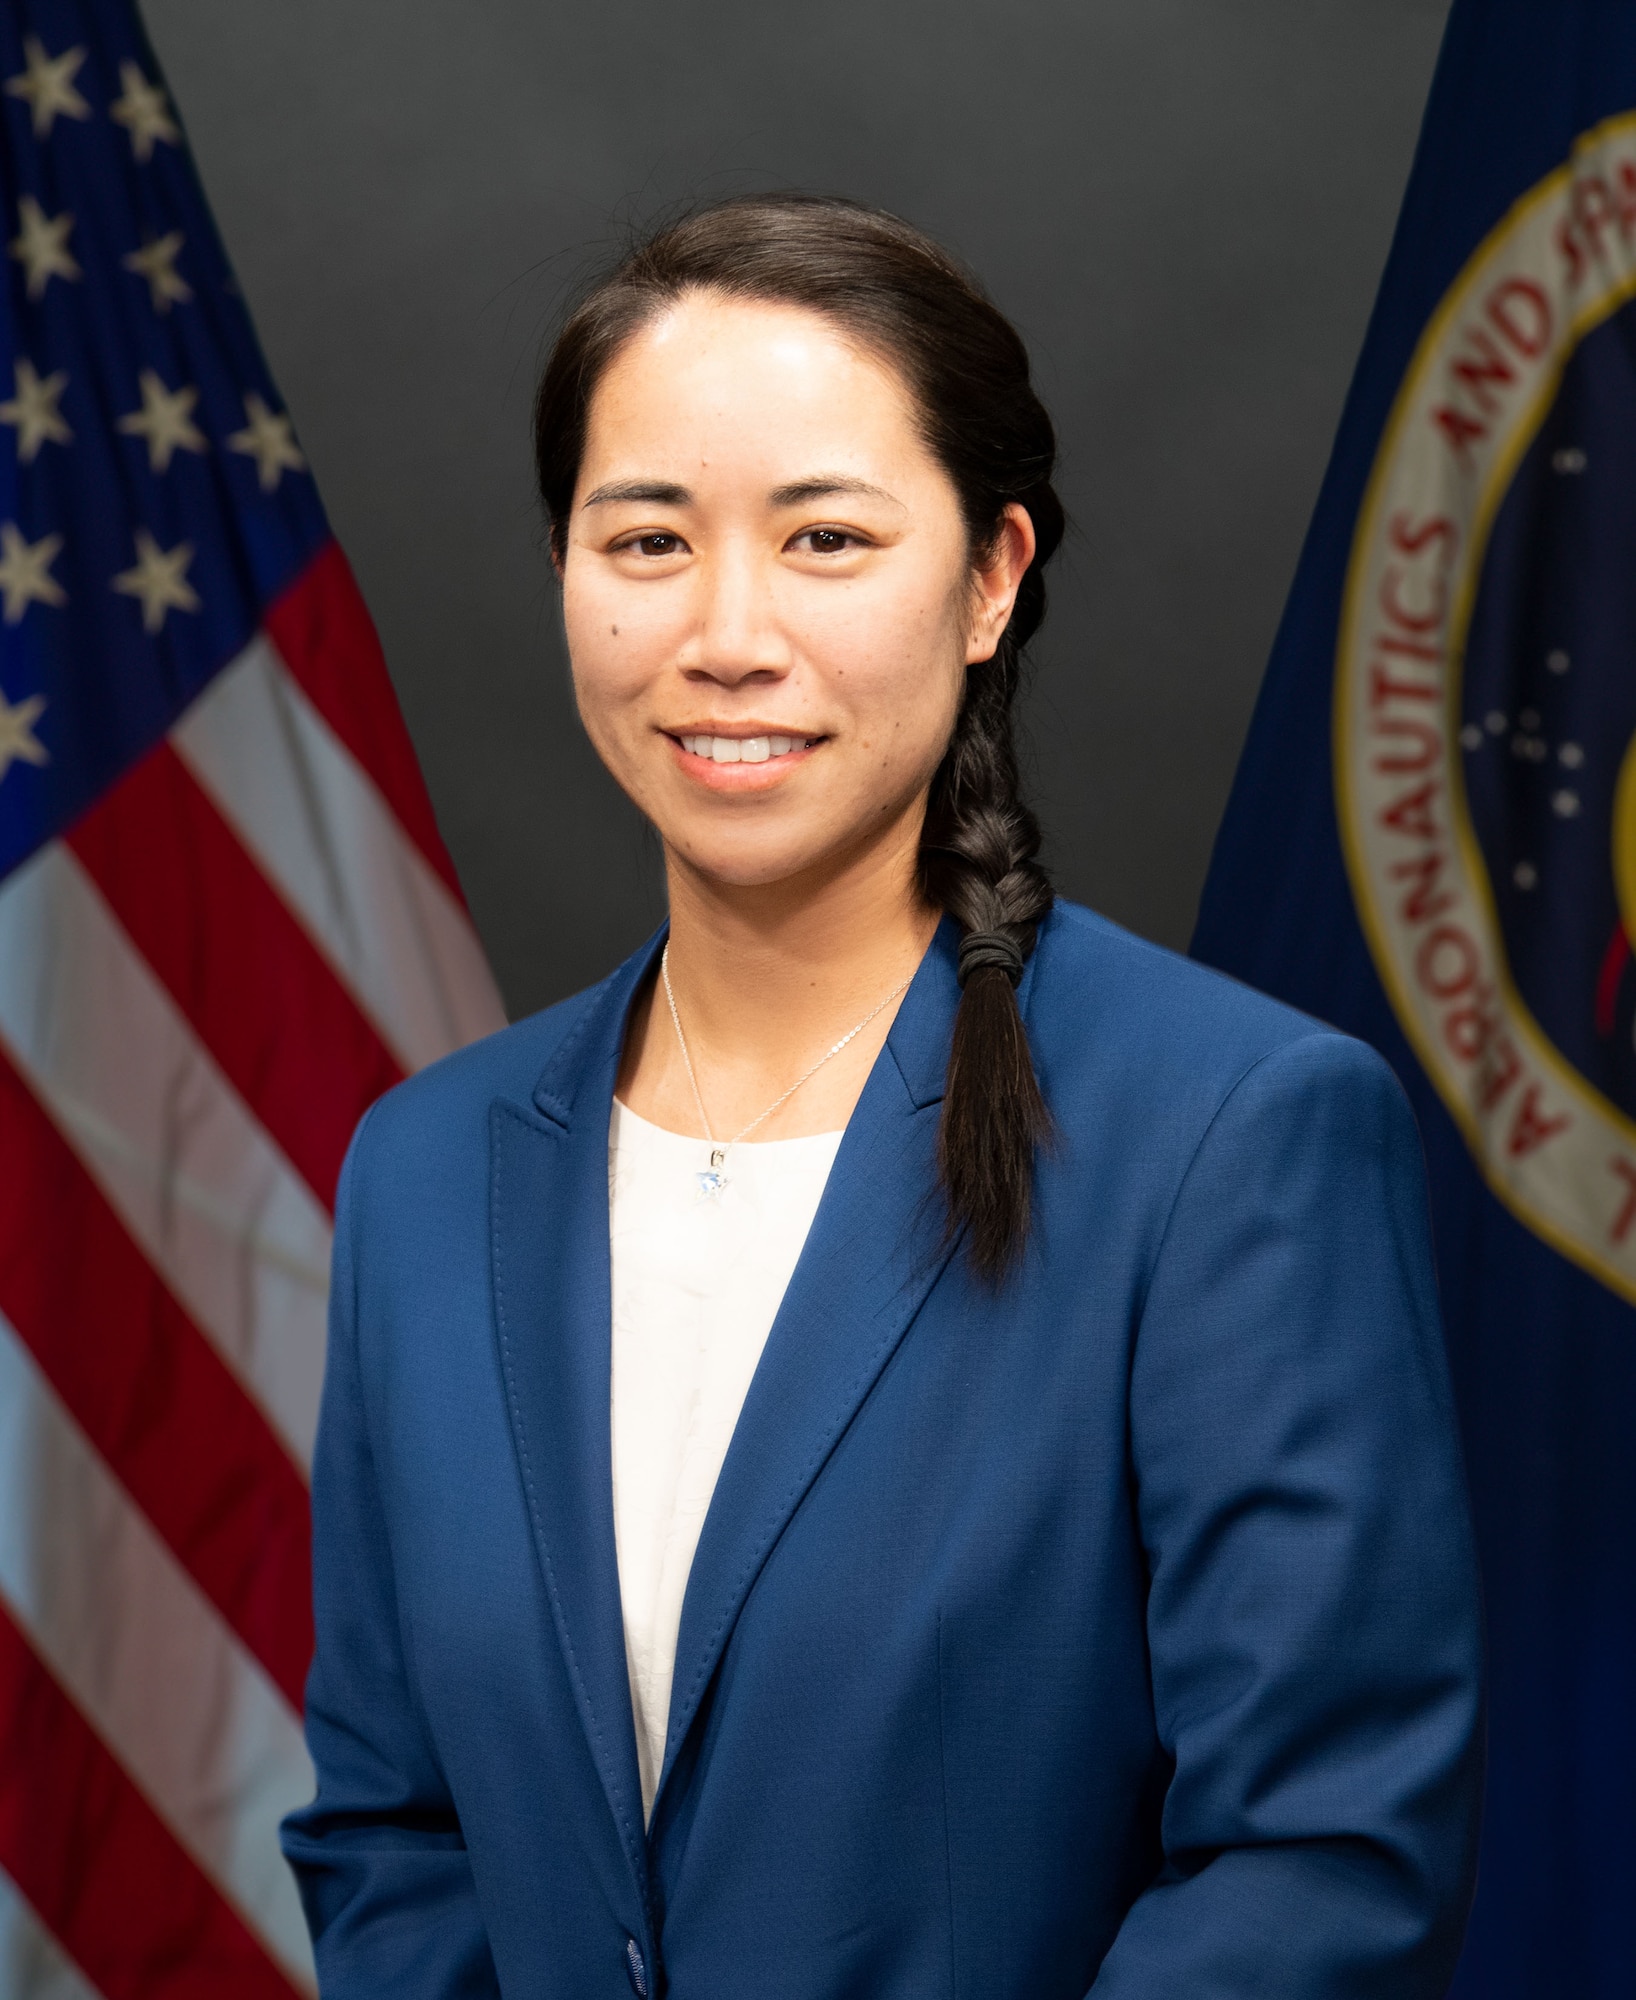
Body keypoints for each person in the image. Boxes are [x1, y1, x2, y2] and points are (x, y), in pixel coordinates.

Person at [281, 195, 1484, 1999]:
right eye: (647, 540)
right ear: (563, 569)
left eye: (827, 537)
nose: (727, 633)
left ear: (992, 578)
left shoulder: (1234, 1136)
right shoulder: (428, 1170)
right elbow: (394, 1836)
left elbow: (1324, 1862)